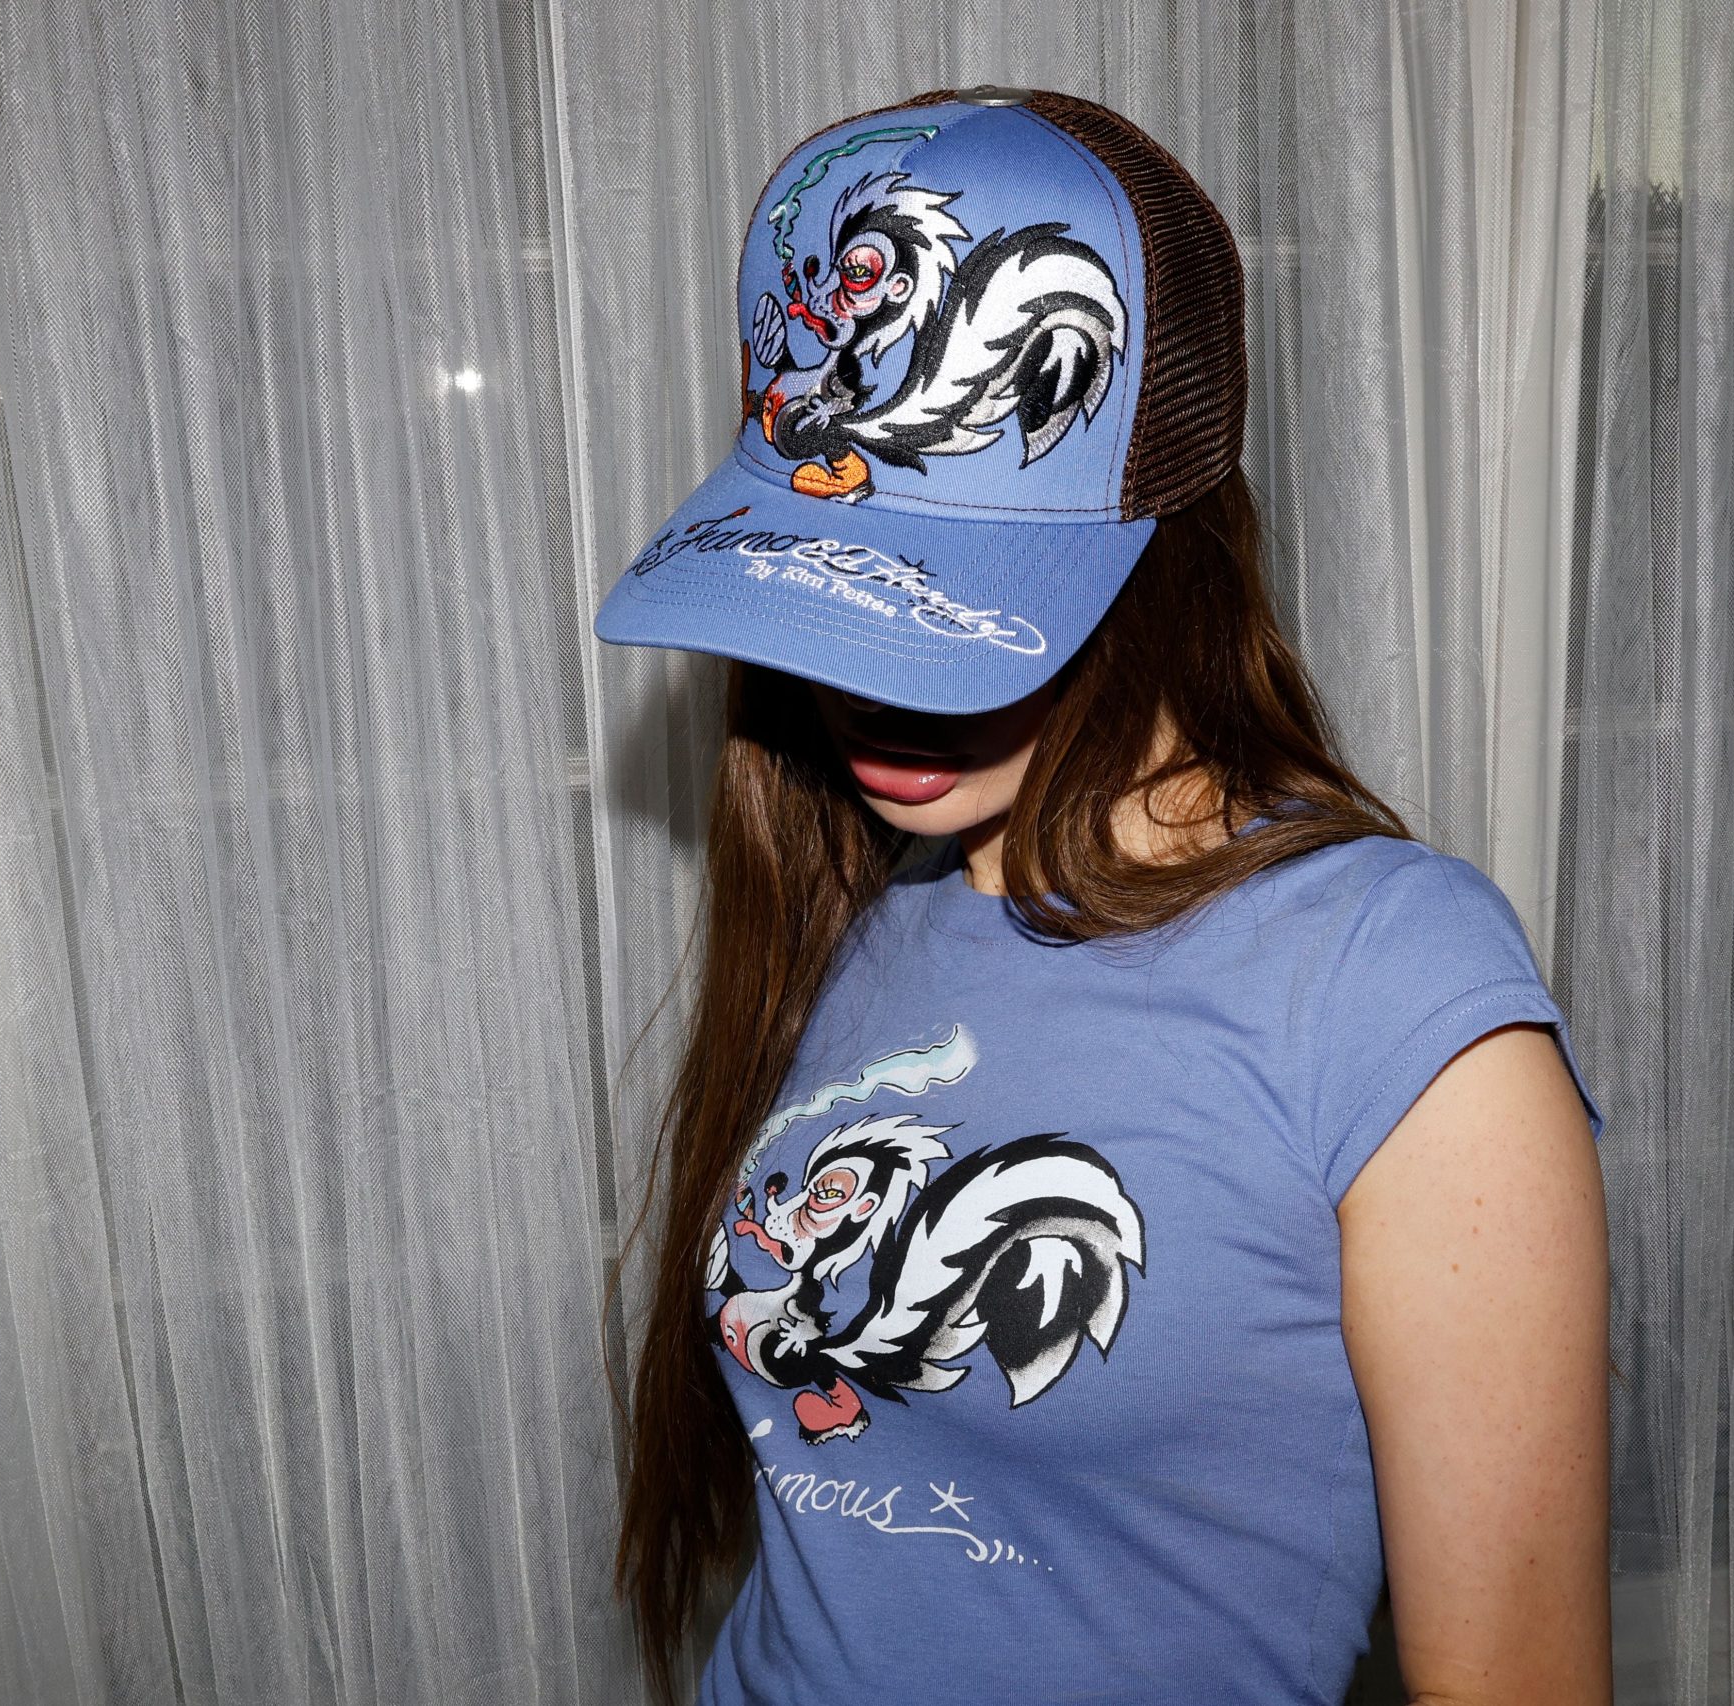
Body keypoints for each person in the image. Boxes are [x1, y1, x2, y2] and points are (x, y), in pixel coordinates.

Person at [590, 85, 1611, 1706]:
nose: (861, 675)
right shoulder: (853, 906)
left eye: (946, 584)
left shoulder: (1387, 981)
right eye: (829, 570)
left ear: (1174, 540)